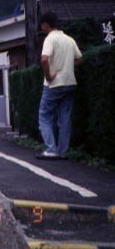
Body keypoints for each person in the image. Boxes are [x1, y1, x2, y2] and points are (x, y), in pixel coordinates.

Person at [37, 11, 83, 160]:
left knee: (44, 116)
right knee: (64, 119)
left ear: (46, 24)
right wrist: (68, 67)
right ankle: (63, 152)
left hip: (54, 84)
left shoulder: (50, 39)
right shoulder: (69, 39)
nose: (41, 28)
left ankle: (51, 149)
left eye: (42, 25)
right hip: (70, 82)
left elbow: (44, 60)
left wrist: (48, 75)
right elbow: (79, 58)